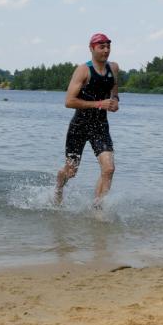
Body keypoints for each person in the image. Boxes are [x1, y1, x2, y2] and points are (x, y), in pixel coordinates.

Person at [55, 33, 120, 208]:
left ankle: (97, 209)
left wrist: (115, 101)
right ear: (91, 48)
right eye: (102, 47)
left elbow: (114, 90)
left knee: (109, 169)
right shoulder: (83, 70)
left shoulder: (113, 68)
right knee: (71, 171)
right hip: (79, 126)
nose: (106, 50)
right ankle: (58, 188)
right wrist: (99, 104)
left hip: (100, 126)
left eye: (108, 46)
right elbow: (69, 101)